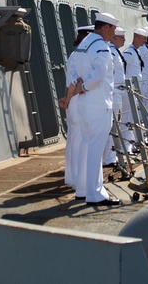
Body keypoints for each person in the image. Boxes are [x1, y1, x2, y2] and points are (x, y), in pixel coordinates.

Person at [72, 12, 122, 206]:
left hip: (84, 104)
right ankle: (96, 194)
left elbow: (76, 70)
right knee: (95, 148)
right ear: (106, 27)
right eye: (113, 29)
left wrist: (80, 86)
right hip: (99, 103)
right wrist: (84, 86)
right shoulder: (101, 46)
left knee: (86, 145)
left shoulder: (84, 44)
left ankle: (83, 189)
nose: (114, 32)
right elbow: (100, 74)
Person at [61, 25, 94, 190]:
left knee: (74, 139)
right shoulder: (81, 56)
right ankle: (78, 180)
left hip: (73, 100)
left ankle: (72, 177)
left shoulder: (75, 55)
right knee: (80, 140)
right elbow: (75, 83)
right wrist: (67, 100)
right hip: (77, 99)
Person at [121, 28, 148, 153]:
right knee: (128, 118)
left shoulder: (135, 51)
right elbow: (122, 68)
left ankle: (131, 144)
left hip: (135, 89)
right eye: (144, 38)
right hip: (129, 90)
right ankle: (126, 147)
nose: (145, 41)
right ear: (137, 37)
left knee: (133, 119)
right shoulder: (129, 52)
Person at [102, 26, 127, 166]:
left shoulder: (115, 51)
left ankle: (110, 155)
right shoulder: (111, 51)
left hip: (117, 91)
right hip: (113, 91)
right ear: (114, 38)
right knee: (110, 125)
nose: (124, 40)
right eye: (122, 37)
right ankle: (108, 157)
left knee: (114, 124)